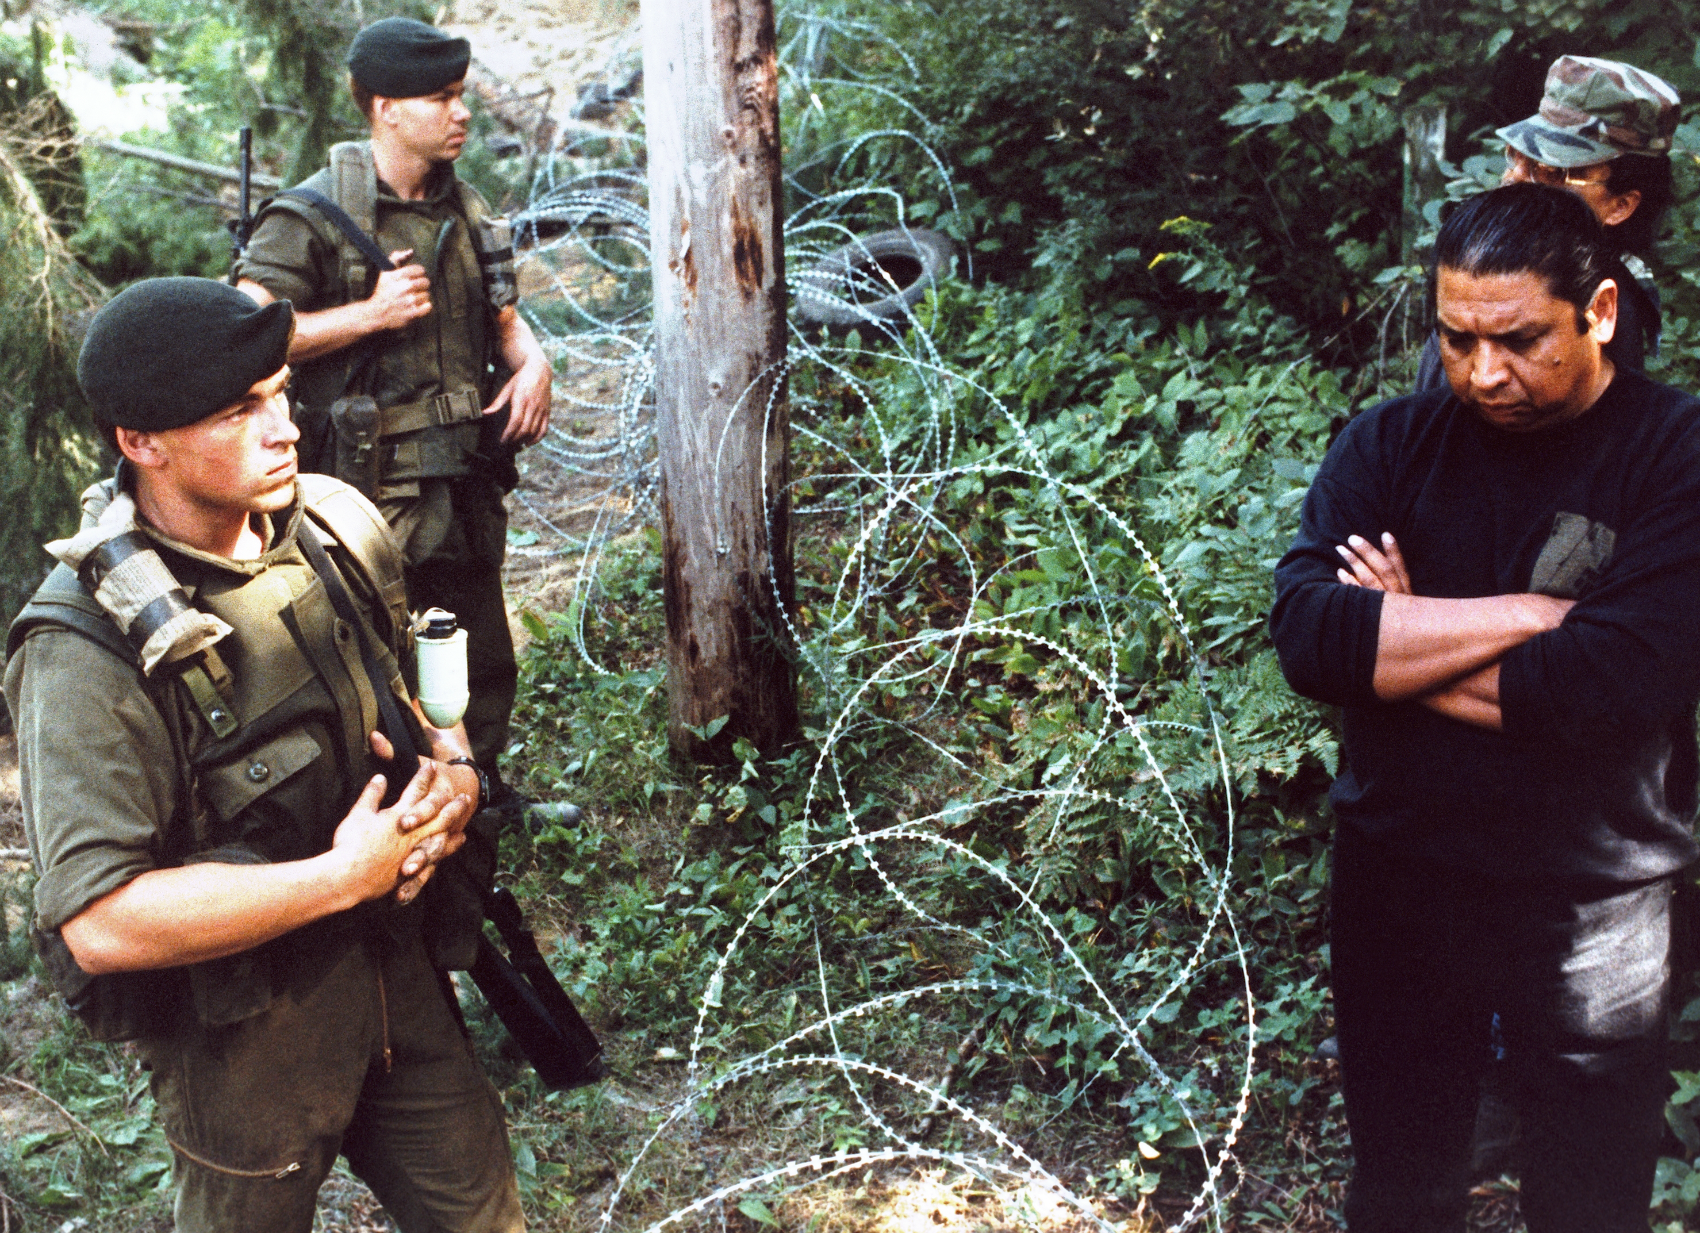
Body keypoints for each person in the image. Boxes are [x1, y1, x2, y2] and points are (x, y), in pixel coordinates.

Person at [6, 278, 525, 1232]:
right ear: (139, 441)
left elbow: (413, 700)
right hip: (246, 1043)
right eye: (240, 410)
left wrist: (452, 772)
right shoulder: (86, 649)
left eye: (281, 392)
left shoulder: (335, 524)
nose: (284, 426)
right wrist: (339, 876)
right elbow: (101, 921)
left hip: (400, 984)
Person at [1271, 183, 1700, 1231]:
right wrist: (1525, 610)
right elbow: (1312, 641)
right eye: (1454, 337)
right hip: (1399, 874)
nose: (1481, 373)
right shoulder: (1387, 443)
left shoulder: (1672, 454)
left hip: (1593, 901)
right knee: (1401, 1186)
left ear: (1597, 313)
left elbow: (1605, 688)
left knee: (1588, 1200)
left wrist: (1406, 636)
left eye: (1515, 340)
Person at [236, 16, 553, 812]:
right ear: (384, 107)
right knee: (373, 658)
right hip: (364, 493)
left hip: (465, 477)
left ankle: (482, 793)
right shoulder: (310, 216)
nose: (463, 113)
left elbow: (509, 326)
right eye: (441, 98)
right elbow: (244, 339)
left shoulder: (468, 210)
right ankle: (386, 809)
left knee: (476, 648)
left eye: (462, 95)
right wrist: (367, 316)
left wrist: (537, 363)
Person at [1413, 55, 1679, 392]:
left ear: (1620, 205)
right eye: (1517, 155)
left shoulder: (1597, 306)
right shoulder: (1484, 271)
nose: (1514, 178)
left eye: (1551, 170)